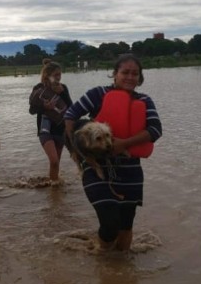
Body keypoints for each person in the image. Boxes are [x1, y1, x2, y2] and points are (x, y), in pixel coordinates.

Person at [64, 54, 162, 251]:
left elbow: (155, 130)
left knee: (125, 226)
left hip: (130, 170)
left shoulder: (145, 100)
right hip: (97, 167)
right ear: (115, 74)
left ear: (140, 78)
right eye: (125, 72)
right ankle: (104, 257)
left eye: (135, 74)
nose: (130, 77)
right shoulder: (97, 94)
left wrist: (124, 143)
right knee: (110, 223)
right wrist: (78, 151)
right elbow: (70, 116)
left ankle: (120, 273)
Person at [29, 60, 72, 184]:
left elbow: (71, 108)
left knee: (56, 163)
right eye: (56, 75)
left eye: (60, 74)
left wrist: (62, 93)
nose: (58, 77)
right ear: (47, 75)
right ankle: (53, 187)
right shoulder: (39, 88)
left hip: (60, 128)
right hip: (45, 128)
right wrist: (44, 107)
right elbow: (32, 110)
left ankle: (54, 193)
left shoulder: (63, 88)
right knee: (53, 160)